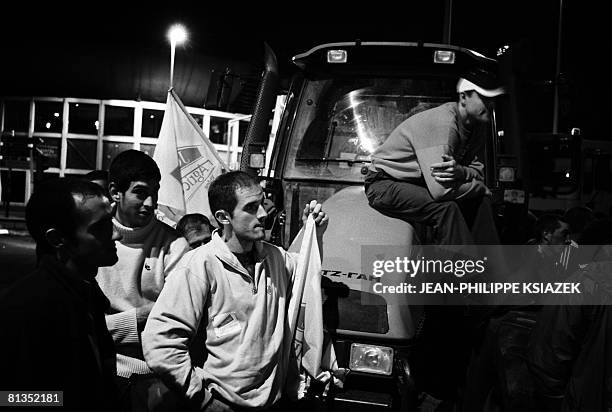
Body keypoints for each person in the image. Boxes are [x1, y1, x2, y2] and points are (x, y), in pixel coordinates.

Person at [142, 171, 329, 411]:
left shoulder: (277, 259)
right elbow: (160, 341)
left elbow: (307, 276)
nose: (263, 213)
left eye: (262, 203)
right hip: (221, 404)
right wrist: (201, 398)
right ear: (223, 217)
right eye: (251, 208)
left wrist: (313, 233)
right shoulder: (199, 266)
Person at [0, 178, 121, 411]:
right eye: (101, 228)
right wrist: (69, 399)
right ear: (57, 239)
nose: (117, 236)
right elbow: (10, 397)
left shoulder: (86, 294)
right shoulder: (25, 308)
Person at [365, 68, 505, 246]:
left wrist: (461, 172)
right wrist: (479, 187)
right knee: (447, 209)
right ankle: (458, 271)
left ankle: (488, 266)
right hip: (384, 184)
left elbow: (478, 173)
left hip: (416, 184)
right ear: (463, 97)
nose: (491, 104)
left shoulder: (477, 128)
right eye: (484, 98)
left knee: (480, 202)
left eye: (493, 99)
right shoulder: (443, 124)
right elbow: (441, 191)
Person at [96, 150, 190, 411]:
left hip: (156, 380)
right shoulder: (93, 240)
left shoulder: (175, 245)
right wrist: (140, 317)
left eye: (155, 192)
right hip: (98, 373)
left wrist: (106, 327)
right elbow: (79, 326)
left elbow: (177, 321)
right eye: (140, 192)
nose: (150, 202)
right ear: (115, 191)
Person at [528, 219, 612, 412]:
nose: (568, 241)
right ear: (546, 235)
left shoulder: (583, 282)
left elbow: (550, 354)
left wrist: (557, 400)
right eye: (564, 234)